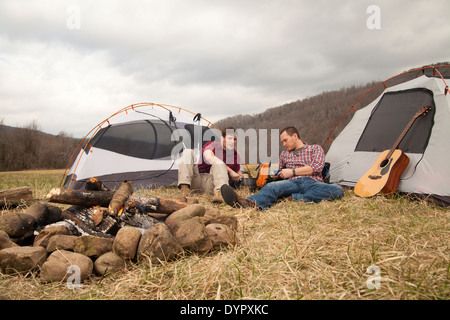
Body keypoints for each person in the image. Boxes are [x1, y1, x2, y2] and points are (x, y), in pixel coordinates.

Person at [221, 126, 344, 210]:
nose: (284, 144)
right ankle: (246, 203)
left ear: (295, 136)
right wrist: (278, 174)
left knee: (337, 190)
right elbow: (281, 171)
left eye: (285, 140)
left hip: (313, 182)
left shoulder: (315, 149)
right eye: (282, 142)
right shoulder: (284, 154)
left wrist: (292, 171)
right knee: (271, 186)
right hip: (292, 183)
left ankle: (294, 198)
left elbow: (316, 168)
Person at [178, 126, 242, 203]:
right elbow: (209, 157)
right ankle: (184, 188)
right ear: (222, 138)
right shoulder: (213, 144)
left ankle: (219, 193)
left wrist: (242, 177)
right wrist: (230, 171)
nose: (232, 142)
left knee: (219, 164)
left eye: (234, 139)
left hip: (213, 184)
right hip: (197, 179)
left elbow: (238, 171)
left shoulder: (235, 155)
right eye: (229, 138)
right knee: (187, 152)